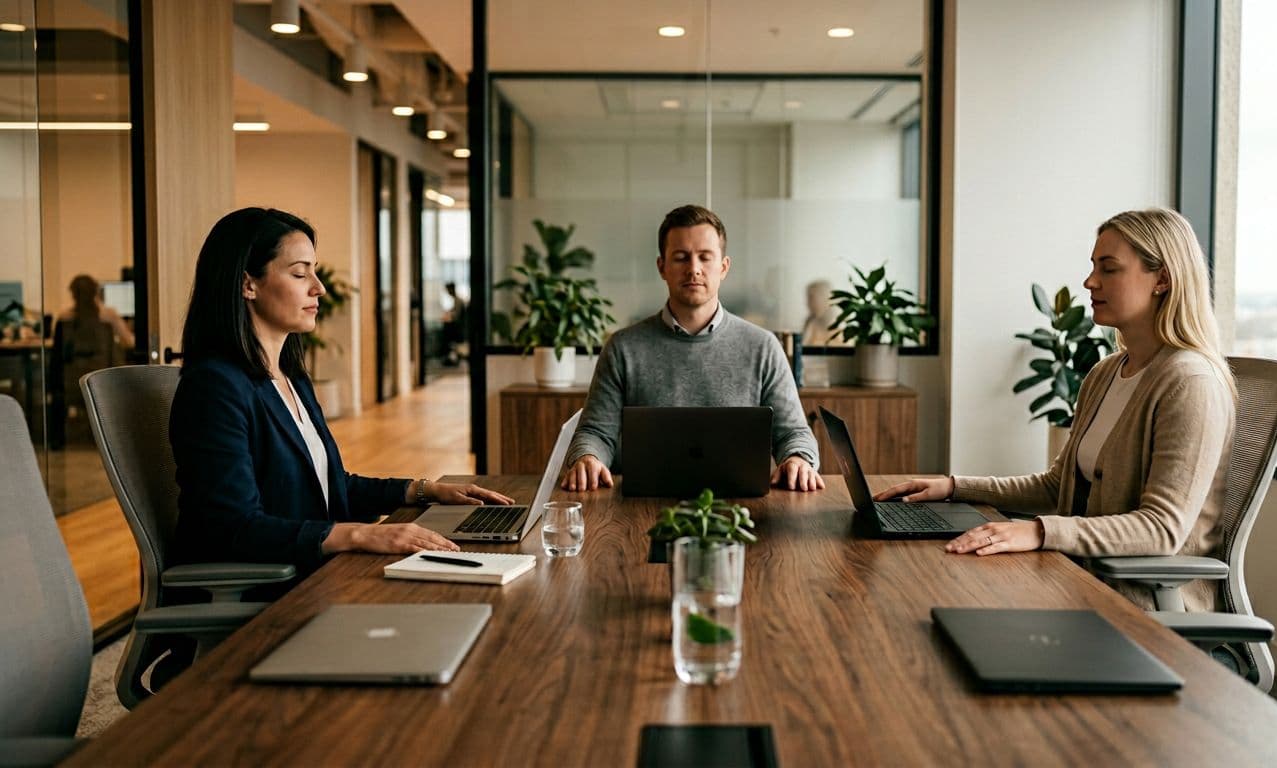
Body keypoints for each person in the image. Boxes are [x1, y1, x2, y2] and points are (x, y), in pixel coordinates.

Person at [876, 208, 1236, 612]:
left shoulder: (1190, 383)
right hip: (1081, 579)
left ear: (1163, 279)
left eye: (1109, 268)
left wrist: (1039, 532)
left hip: (1144, 608)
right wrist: (953, 486)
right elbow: (1056, 486)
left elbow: (1162, 529)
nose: (1090, 281)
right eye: (1092, 267)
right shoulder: (1106, 373)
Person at [171, 207, 513, 575]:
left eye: (314, 272)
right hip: (272, 588)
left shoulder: (290, 378)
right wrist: (359, 536)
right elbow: (232, 526)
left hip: (317, 569)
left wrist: (425, 491)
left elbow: (328, 486)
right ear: (247, 284)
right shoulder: (214, 388)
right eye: (300, 273)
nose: (318, 287)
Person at [561, 204, 824, 492]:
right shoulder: (623, 347)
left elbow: (794, 433)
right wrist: (588, 457)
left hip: (742, 510)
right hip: (640, 507)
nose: (694, 269)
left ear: (723, 267)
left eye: (705, 257)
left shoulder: (763, 347)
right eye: (681, 257)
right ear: (662, 267)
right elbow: (596, 432)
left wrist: (798, 458)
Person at [59, 274, 134, 349]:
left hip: (75, 361)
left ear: (73, 295)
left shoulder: (64, 317)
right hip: (103, 361)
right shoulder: (109, 315)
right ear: (95, 293)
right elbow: (129, 342)